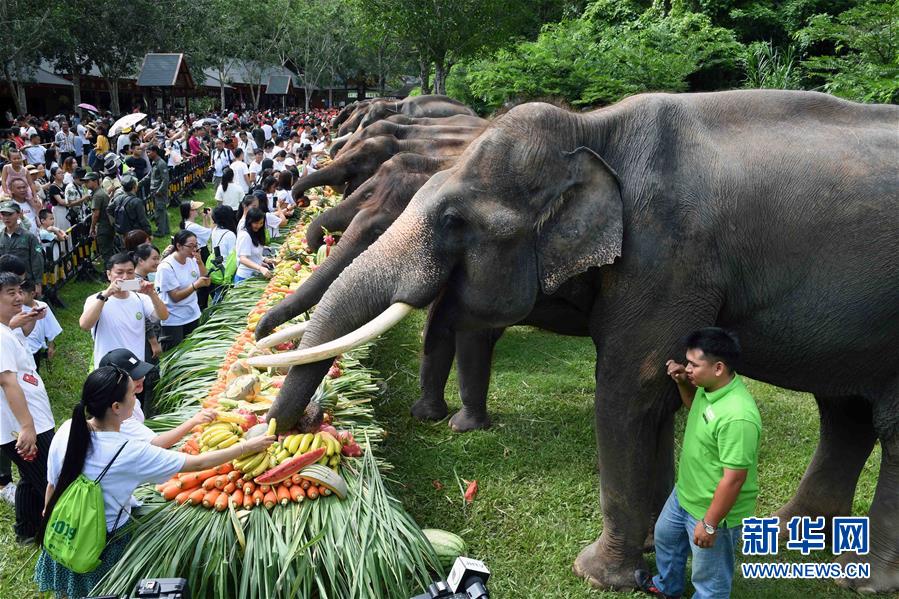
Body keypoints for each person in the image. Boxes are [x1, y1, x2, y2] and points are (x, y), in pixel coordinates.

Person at [34, 366, 275, 597]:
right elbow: (198, 464)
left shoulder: (67, 429)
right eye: (131, 392)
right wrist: (245, 447)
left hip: (63, 529)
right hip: (100, 543)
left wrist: (48, 513)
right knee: (100, 592)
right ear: (116, 407)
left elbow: (53, 483)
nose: (137, 394)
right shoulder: (128, 452)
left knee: (68, 591)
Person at [636, 328, 761, 599]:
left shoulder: (738, 416)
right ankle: (668, 587)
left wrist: (710, 524)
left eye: (694, 364)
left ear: (718, 367)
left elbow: (734, 478)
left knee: (710, 578)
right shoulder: (710, 388)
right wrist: (683, 382)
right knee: (666, 538)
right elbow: (697, 408)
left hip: (713, 509)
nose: (687, 368)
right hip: (686, 493)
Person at [0, 271, 55, 544]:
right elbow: (8, 382)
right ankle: (53, 534)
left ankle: (26, 530)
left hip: (32, 419)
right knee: (49, 477)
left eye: (19, 291)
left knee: (29, 476)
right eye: (10, 293)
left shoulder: (7, 330)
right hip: (21, 425)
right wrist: (26, 426)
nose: (19, 297)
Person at [79, 253, 168, 368]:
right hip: (108, 368)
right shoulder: (95, 299)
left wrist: (152, 294)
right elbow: (85, 325)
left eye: (130, 272)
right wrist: (105, 295)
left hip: (135, 366)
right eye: (119, 272)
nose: (125, 277)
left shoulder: (141, 298)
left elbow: (164, 316)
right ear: (109, 274)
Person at [155, 230, 210, 351]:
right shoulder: (166, 267)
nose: (194, 249)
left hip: (192, 314)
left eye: (196, 245)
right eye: (190, 246)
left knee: (193, 351)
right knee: (175, 356)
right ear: (178, 246)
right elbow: (175, 297)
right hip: (174, 319)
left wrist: (200, 262)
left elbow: (207, 281)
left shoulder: (191, 260)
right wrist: (195, 285)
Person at [0, 201, 43, 294]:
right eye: (3, 214)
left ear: (18, 214)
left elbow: (37, 259)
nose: (6, 218)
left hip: (25, 283)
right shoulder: (0, 237)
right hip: (5, 283)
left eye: (10, 214)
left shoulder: (29, 237)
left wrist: (38, 283)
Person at [19, 277, 61, 370]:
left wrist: (51, 345)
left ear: (32, 294)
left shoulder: (42, 306)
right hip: (22, 348)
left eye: (22, 293)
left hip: (35, 349)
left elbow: (51, 327)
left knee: (35, 371)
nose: (18, 297)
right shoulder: (17, 309)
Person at [234, 208, 273, 284]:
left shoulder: (256, 233)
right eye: (256, 223)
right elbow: (243, 259)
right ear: (249, 221)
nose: (258, 226)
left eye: (261, 223)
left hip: (254, 275)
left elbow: (253, 253)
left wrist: (264, 260)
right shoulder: (245, 235)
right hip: (244, 278)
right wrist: (260, 268)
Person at [146, 145, 170, 238]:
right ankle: (166, 229)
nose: (148, 154)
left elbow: (165, 179)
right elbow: (149, 176)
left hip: (159, 191)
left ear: (155, 152)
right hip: (155, 190)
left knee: (159, 211)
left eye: (149, 152)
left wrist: (160, 190)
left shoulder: (161, 163)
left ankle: (160, 231)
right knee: (162, 210)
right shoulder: (154, 163)